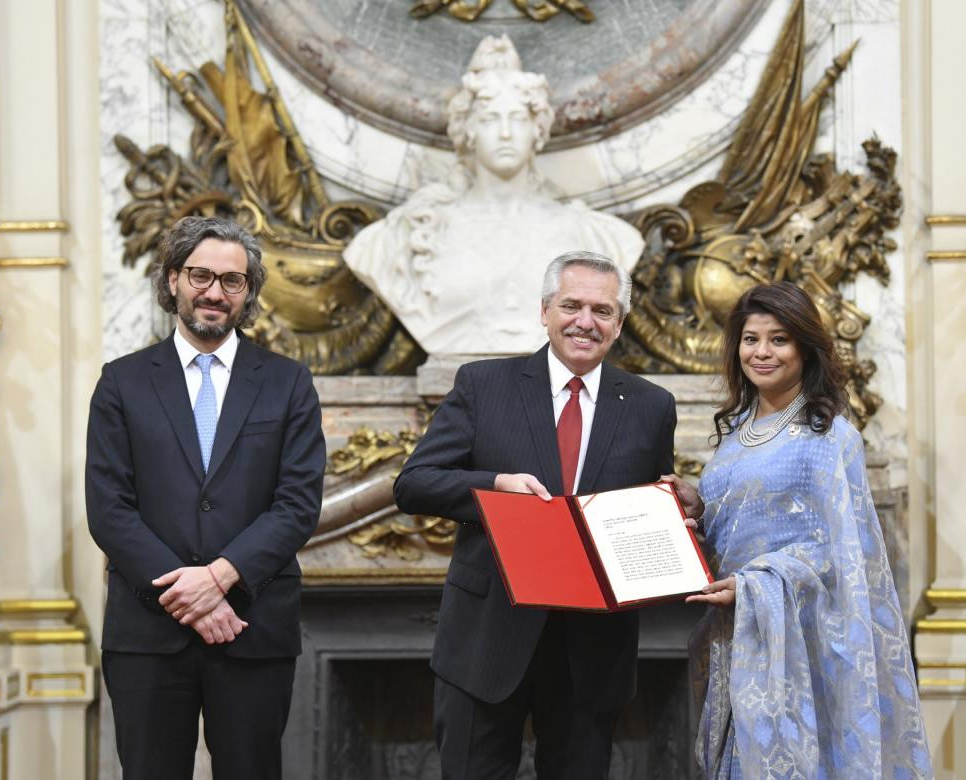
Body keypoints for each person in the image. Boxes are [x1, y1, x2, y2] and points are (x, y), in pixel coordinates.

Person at [394, 250, 676, 779]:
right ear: (544, 310)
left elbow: (652, 504)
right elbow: (414, 484)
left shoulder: (651, 405)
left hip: (593, 649)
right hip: (487, 637)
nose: (585, 322)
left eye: (603, 310)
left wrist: (677, 510)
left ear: (620, 323)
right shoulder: (484, 385)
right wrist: (496, 485)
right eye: (572, 305)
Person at [85, 216, 326, 780]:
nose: (214, 292)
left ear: (248, 293)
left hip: (252, 626)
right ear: (172, 280)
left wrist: (219, 578)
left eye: (232, 281)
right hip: (148, 633)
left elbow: (297, 503)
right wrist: (188, 593)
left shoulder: (288, 382)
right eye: (200, 275)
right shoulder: (121, 382)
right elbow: (109, 507)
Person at [662, 282, 932, 779]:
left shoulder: (828, 436)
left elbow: (838, 554)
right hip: (737, 635)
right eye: (751, 339)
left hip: (799, 648)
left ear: (806, 348)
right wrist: (701, 504)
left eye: (779, 339)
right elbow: (749, 522)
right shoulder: (739, 430)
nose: (761, 352)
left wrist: (753, 586)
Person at [344, 35, 643, 356]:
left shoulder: (598, 235)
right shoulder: (406, 233)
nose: (505, 133)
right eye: (489, 119)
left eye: (517, 119)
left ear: (538, 130)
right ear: (468, 132)